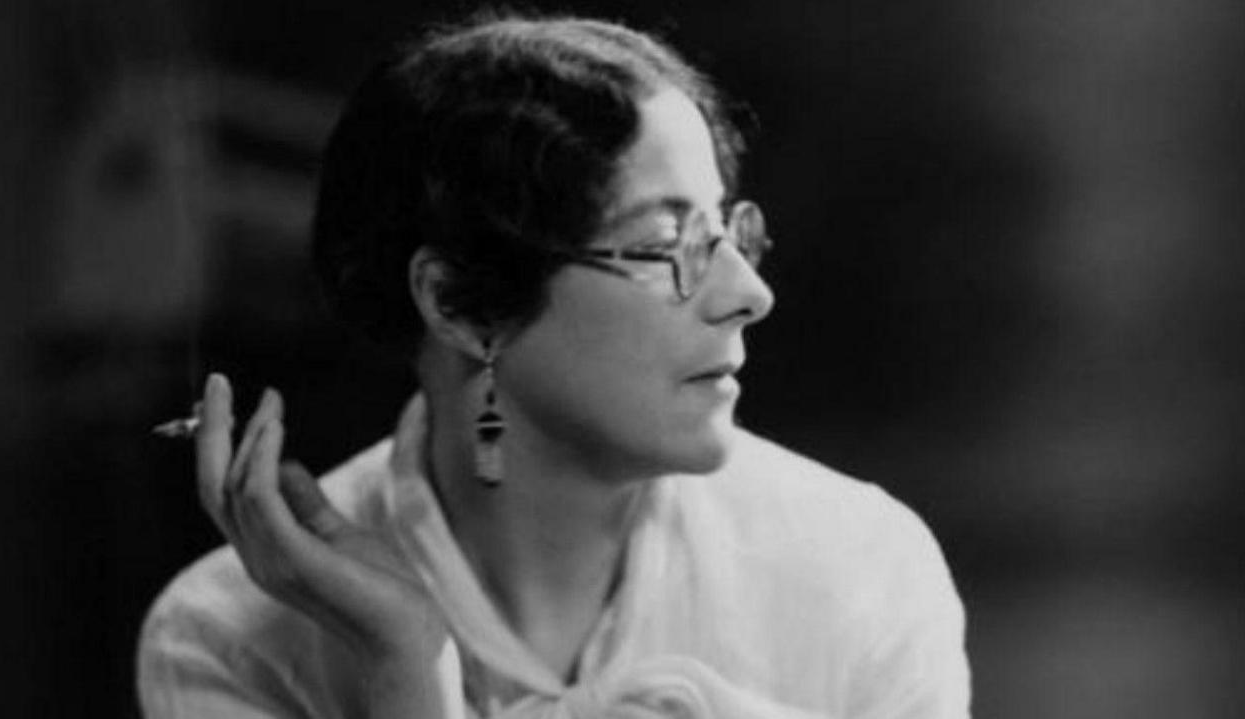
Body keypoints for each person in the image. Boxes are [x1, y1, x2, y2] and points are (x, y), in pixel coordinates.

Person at [137, 12, 970, 718]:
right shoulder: (231, 634)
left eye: (725, 231)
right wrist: (406, 669)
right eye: (663, 243)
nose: (747, 292)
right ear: (461, 303)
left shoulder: (858, 570)